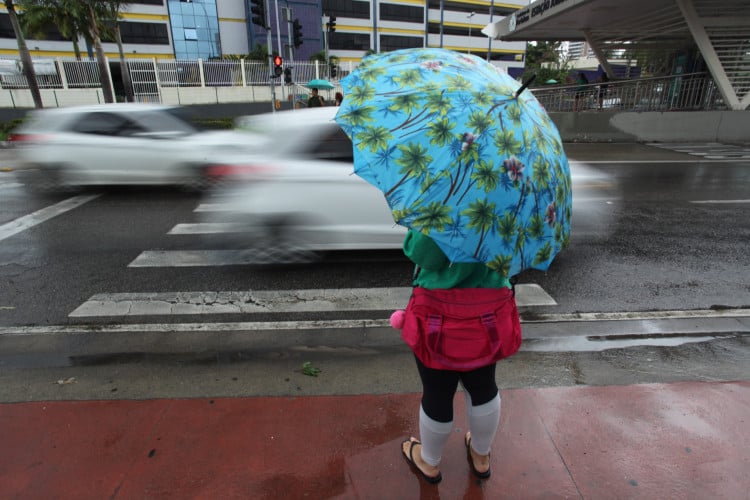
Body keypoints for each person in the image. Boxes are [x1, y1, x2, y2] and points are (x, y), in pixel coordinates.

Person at [399, 230, 511, 484]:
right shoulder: (505, 201)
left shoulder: (445, 200)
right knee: (483, 385)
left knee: (438, 390)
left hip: (437, 311)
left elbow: (424, 255)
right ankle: (481, 456)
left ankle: (429, 461)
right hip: (488, 312)